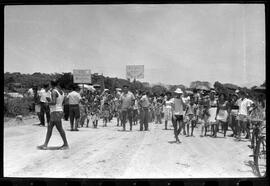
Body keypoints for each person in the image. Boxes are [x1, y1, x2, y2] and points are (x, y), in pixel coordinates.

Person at [37, 80, 69, 150]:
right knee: (50, 127)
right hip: (58, 111)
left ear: (51, 85)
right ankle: (45, 144)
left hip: (55, 112)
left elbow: (54, 102)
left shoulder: (54, 91)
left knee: (59, 128)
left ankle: (66, 144)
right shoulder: (61, 92)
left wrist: (47, 103)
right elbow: (62, 102)